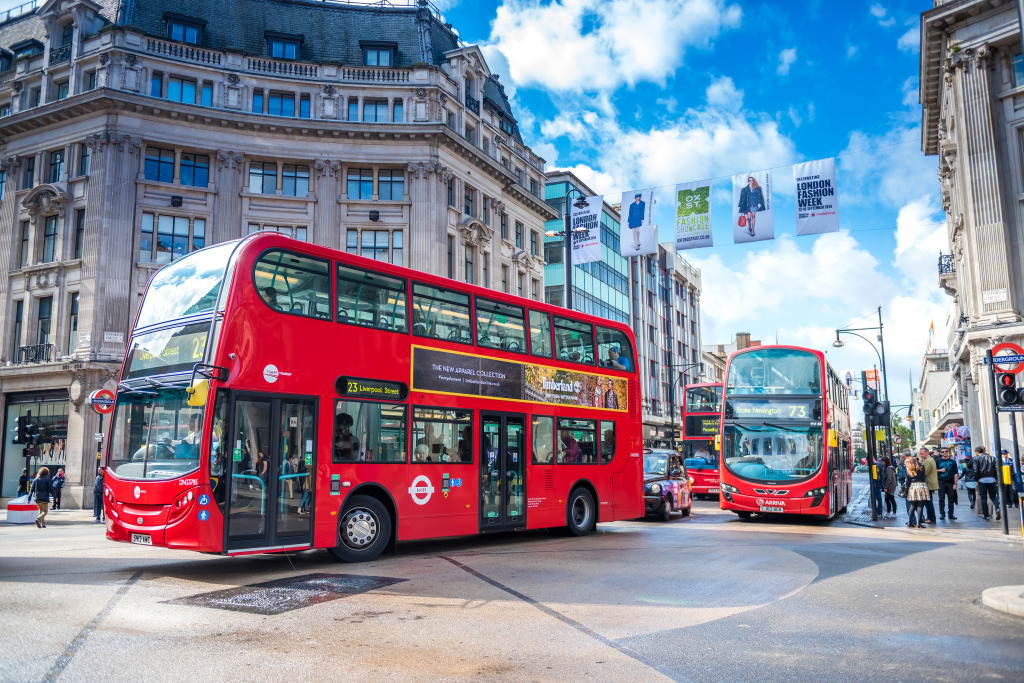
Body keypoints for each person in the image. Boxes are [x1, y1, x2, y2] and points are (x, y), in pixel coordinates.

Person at [973, 446, 1000, 521]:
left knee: (983, 497)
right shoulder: (992, 458)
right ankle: (997, 508)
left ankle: (986, 515)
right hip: (991, 479)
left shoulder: (976, 458)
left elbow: (975, 470)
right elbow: (996, 469)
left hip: (982, 480)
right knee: (993, 496)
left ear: (977, 452)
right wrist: (996, 478)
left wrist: (976, 479)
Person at [904, 455, 929, 528]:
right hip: (922, 486)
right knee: (920, 506)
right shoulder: (921, 468)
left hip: (913, 487)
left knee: (912, 505)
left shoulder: (908, 470)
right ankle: (919, 523)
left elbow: (907, 481)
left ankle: (910, 522)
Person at [936, 447, 958, 520]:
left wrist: (955, 483)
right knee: (941, 498)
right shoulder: (937, 461)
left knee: (951, 499)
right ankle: (942, 514)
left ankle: (951, 514)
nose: (944, 453)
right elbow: (933, 471)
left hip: (950, 482)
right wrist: (940, 470)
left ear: (948, 452)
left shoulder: (953, 462)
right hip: (941, 481)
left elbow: (956, 473)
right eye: (942, 452)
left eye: (945, 451)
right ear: (940, 453)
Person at [919, 447, 938, 524]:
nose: (921, 455)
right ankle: (930, 517)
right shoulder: (927, 460)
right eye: (920, 453)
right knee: (928, 501)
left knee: (928, 502)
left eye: (922, 453)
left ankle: (931, 518)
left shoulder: (928, 461)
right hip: (929, 483)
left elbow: (924, 473)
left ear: (927, 453)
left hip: (928, 483)